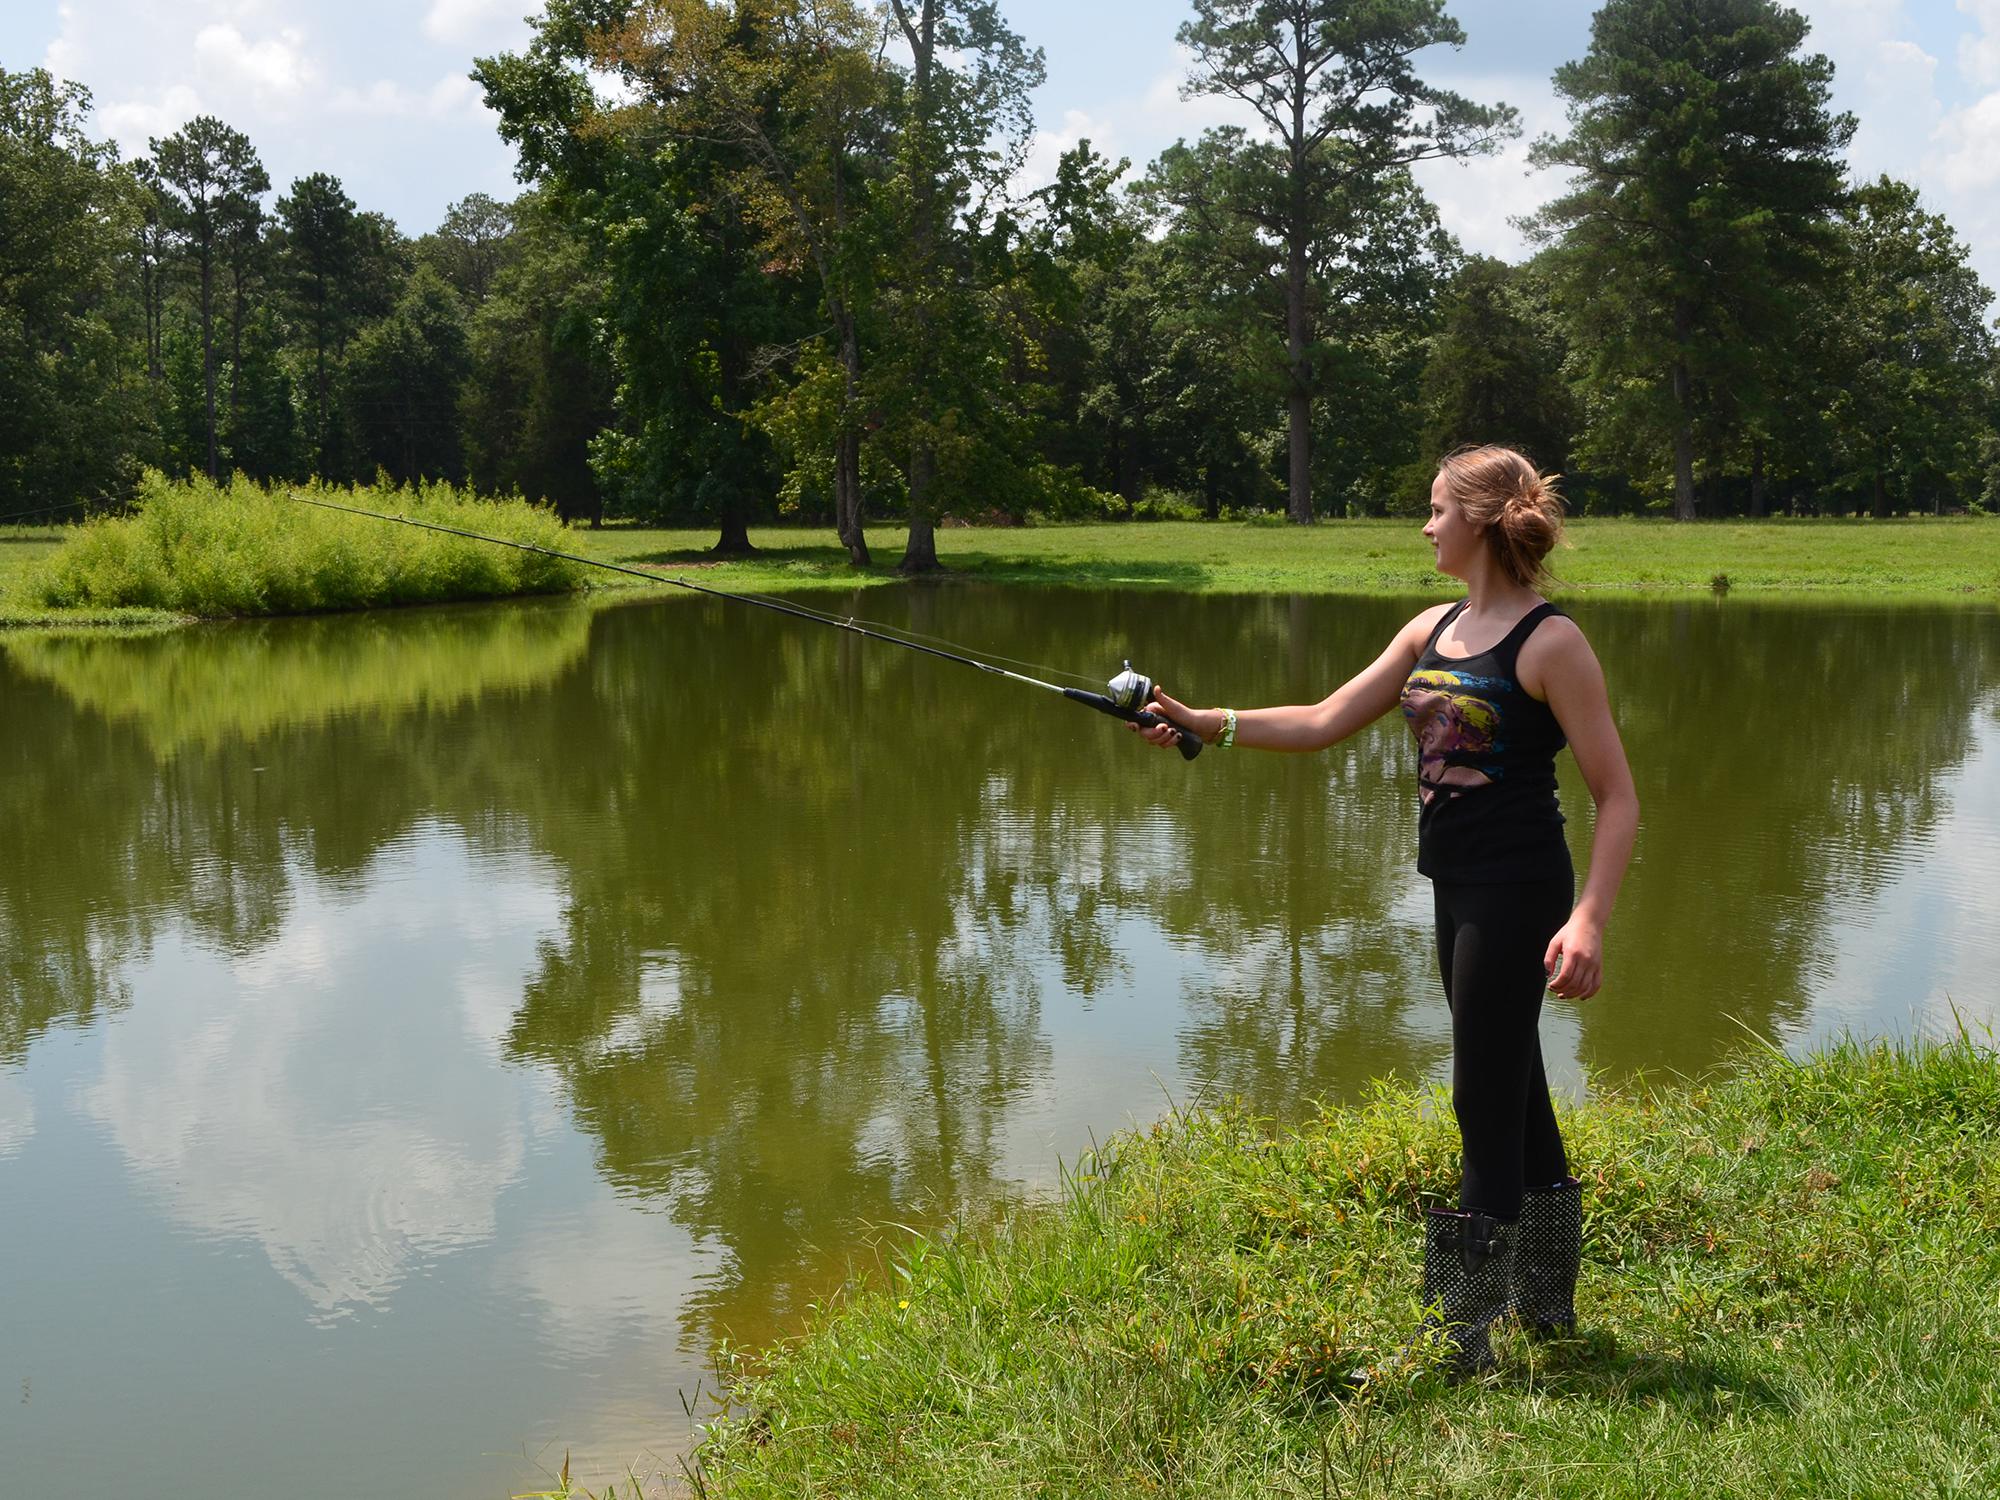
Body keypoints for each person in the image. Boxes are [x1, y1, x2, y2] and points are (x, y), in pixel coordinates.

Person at [1133, 444, 1640, 1374]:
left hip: (1520, 887)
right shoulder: (1433, 628)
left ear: (1483, 521)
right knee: (1514, 1078)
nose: (1426, 523)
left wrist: (1591, 918)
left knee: (1479, 1091)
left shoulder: (1551, 643)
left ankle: (1457, 1337)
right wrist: (1207, 722)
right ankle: (1547, 1301)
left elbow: (1619, 795)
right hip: (1453, 882)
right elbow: (1326, 718)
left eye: (1439, 508)